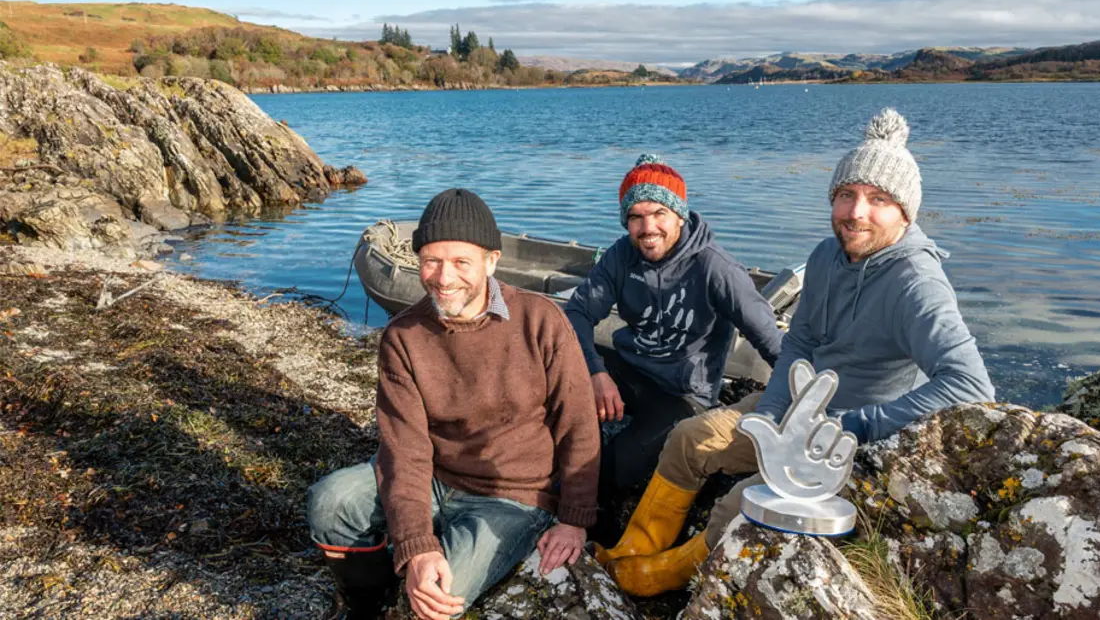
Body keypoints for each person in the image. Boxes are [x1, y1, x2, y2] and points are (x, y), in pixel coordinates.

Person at [597, 108, 996, 597]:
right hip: (796, 411)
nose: (856, 212)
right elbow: (802, 342)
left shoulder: (916, 283)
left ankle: (671, 575)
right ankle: (634, 547)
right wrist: (769, 414)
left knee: (744, 501)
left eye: (878, 200)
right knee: (688, 438)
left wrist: (862, 424)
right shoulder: (827, 256)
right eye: (846, 195)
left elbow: (971, 385)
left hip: (846, 436)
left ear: (905, 212)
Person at [307, 188, 600, 620]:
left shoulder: (542, 321)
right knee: (330, 503)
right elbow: (403, 450)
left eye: (461, 262)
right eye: (431, 260)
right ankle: (365, 602)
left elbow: (578, 424)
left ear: (491, 261)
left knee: (444, 597)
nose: (444, 278)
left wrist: (574, 519)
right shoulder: (403, 337)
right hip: (432, 477)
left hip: (513, 495)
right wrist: (416, 545)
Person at [564, 154, 784, 507]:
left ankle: (584, 528)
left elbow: (770, 340)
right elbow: (576, 313)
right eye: (635, 217)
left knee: (614, 464)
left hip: (682, 394)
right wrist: (596, 373)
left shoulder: (716, 268)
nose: (647, 228)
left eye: (658, 214)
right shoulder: (622, 255)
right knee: (548, 373)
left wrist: (803, 402)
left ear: (679, 214)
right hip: (629, 369)